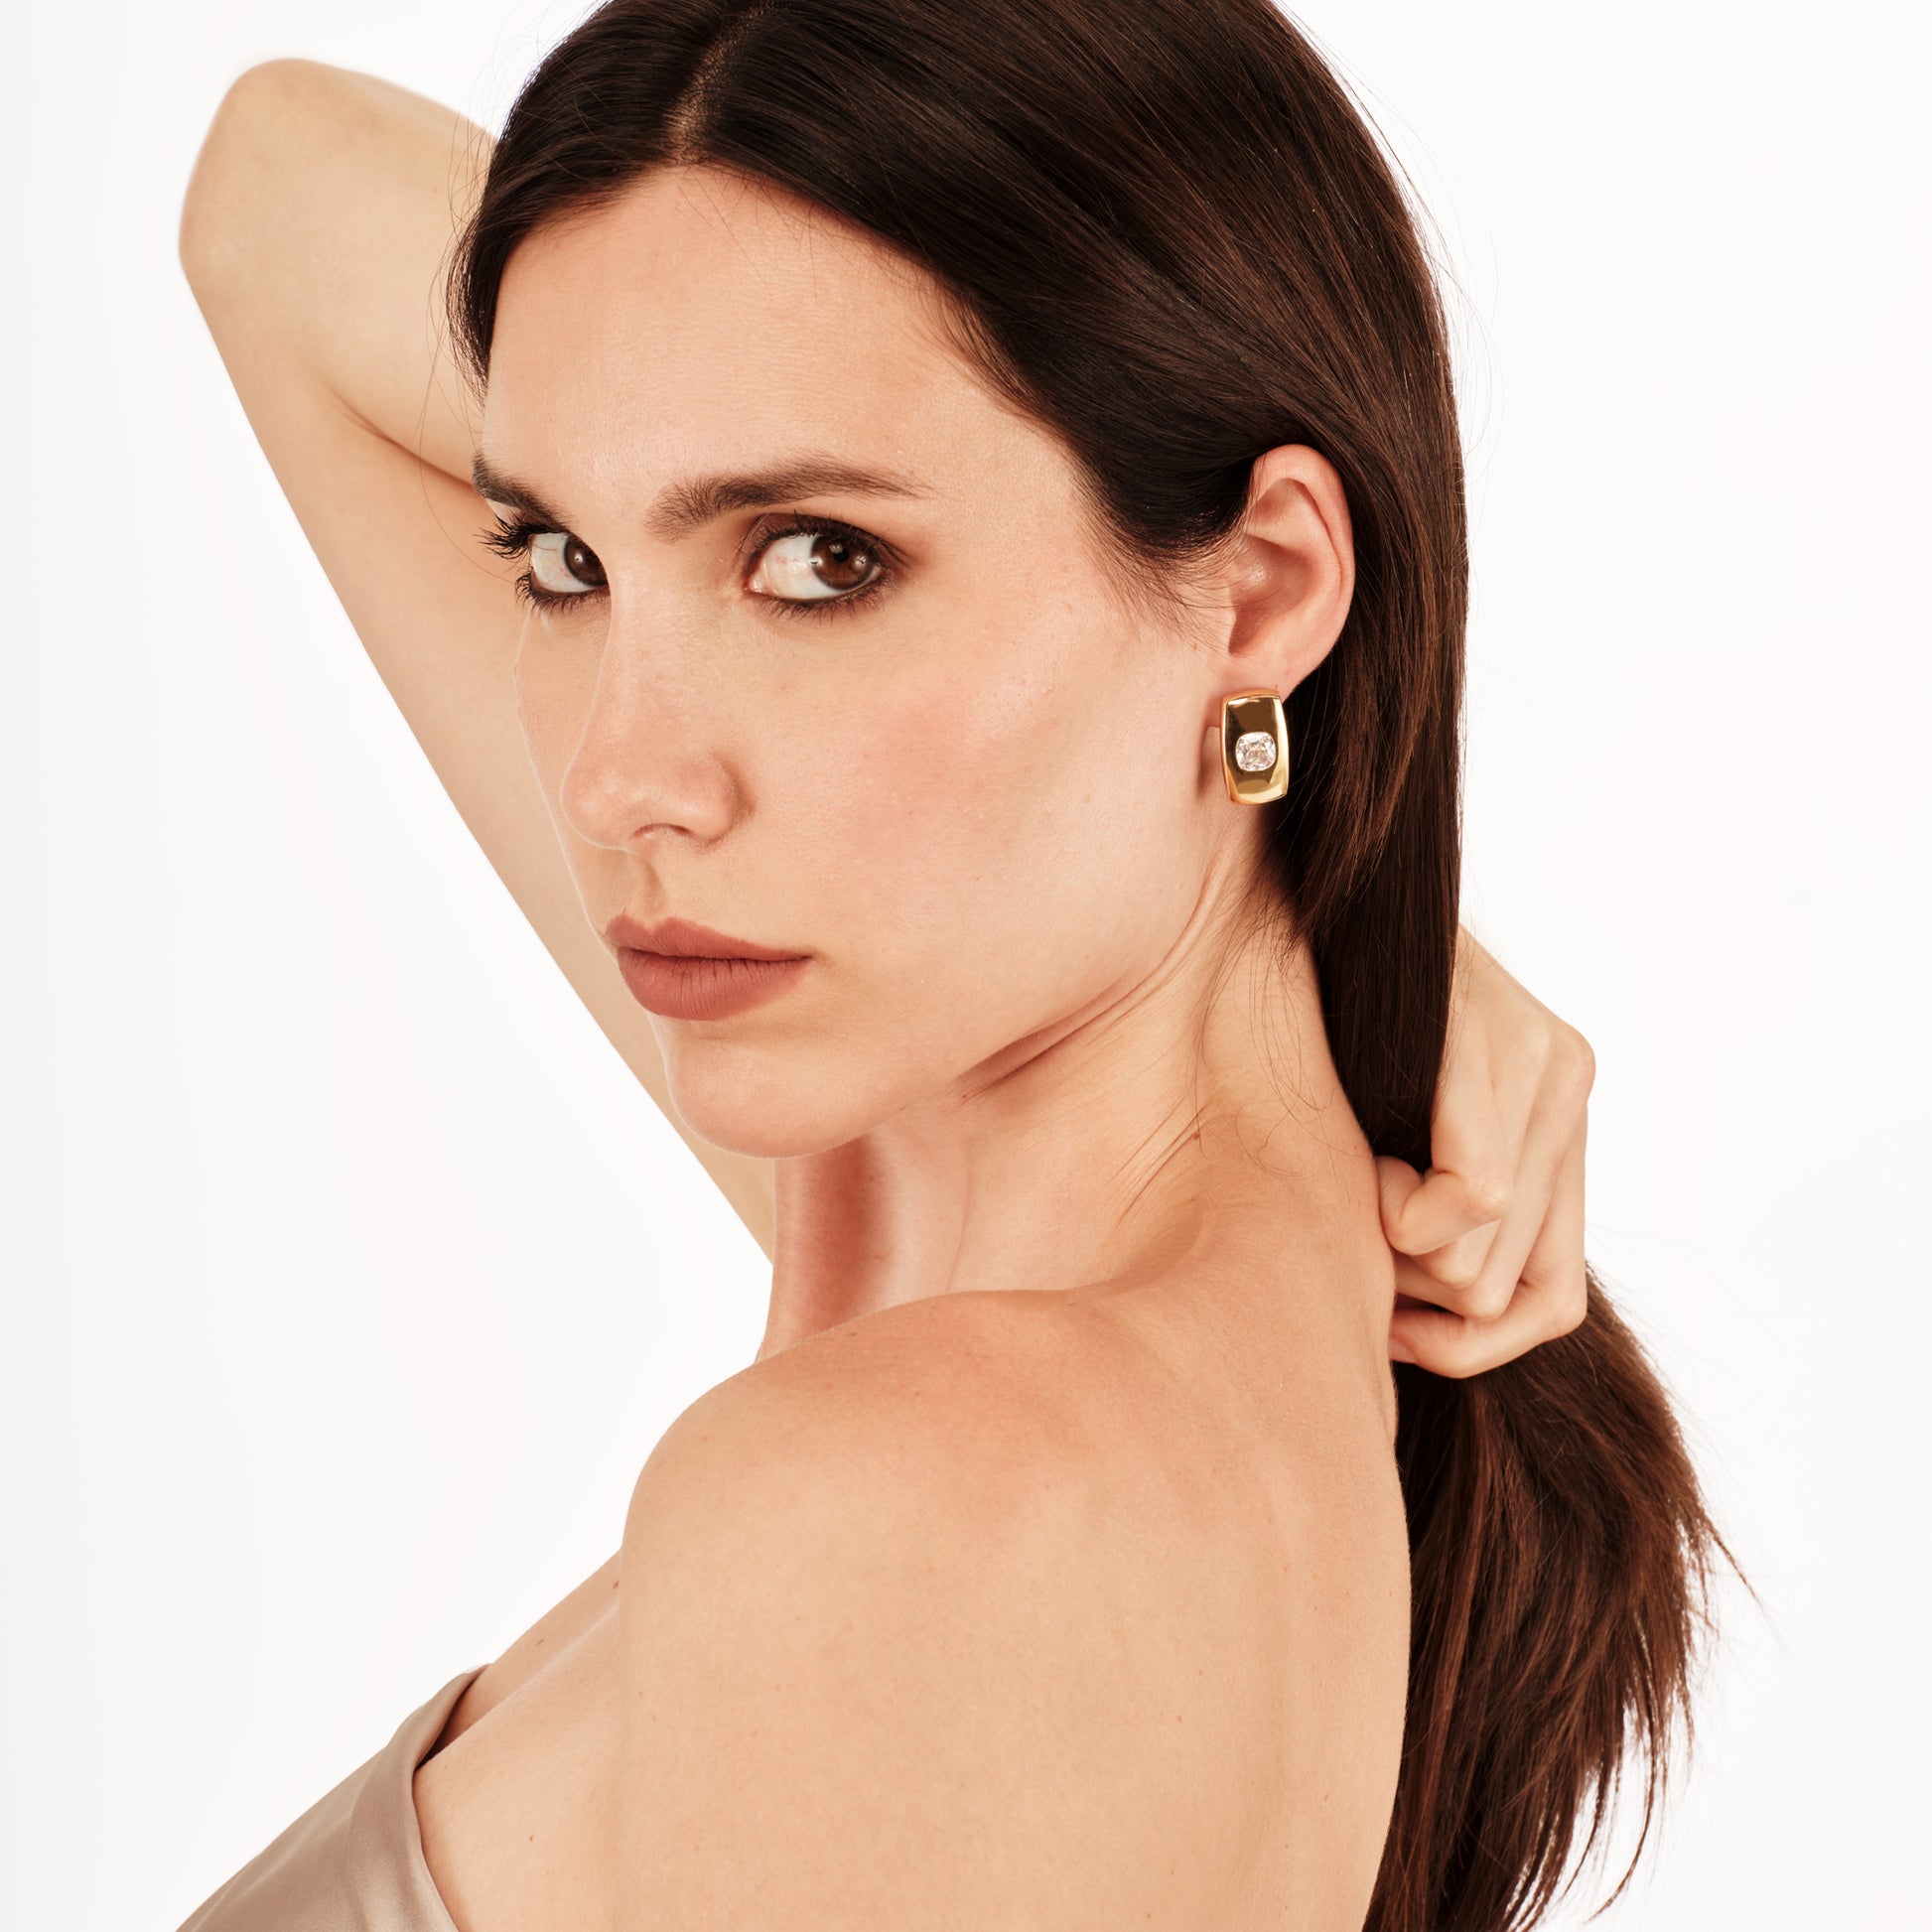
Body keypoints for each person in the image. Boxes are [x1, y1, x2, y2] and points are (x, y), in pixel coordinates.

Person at [173, 3, 1722, 1927]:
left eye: (817, 560)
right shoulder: (1035, 1259)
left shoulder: (912, 1493)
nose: (616, 777)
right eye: (561, 559)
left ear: (1260, 589)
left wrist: (1332, 849)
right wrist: (1335, 880)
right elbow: (267, 194)